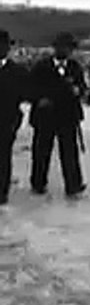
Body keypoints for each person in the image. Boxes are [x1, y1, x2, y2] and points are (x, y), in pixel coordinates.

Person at [29, 32, 89, 199]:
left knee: (70, 152)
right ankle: (38, 183)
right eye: (62, 47)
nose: (65, 50)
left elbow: (82, 87)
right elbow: (31, 87)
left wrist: (78, 90)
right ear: (55, 48)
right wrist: (40, 99)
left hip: (67, 116)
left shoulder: (75, 67)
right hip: (45, 115)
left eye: (68, 48)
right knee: (41, 152)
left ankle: (73, 185)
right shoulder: (42, 66)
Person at [0, 30, 30, 206]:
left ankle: (1, 192)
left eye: (3, 45)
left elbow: (27, 93)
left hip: (6, 119)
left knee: (3, 157)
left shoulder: (18, 72)